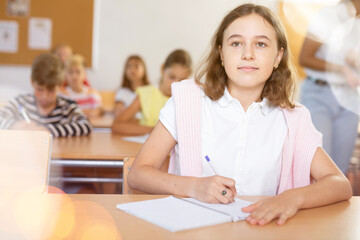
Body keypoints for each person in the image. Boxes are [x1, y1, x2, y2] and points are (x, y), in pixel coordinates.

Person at [127, 4, 352, 226]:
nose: (248, 54)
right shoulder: (187, 101)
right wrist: (193, 186)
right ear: (221, 54)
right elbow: (138, 174)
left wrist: (292, 198)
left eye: (261, 44)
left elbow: (339, 184)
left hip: (263, 231)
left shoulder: (294, 118)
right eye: (236, 43)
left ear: (277, 57)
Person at [299, 0, 360, 174]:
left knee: (340, 171)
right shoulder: (329, 16)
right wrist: (341, 68)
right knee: (318, 170)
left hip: (349, 98)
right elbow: (304, 58)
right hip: (320, 94)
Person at [0, 53, 92, 137]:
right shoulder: (20, 103)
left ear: (60, 85)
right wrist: (13, 125)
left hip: (57, 154)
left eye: (51, 91)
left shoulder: (67, 107)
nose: (44, 96)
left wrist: (46, 130)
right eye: (40, 90)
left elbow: (86, 126)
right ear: (32, 82)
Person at [111, 49, 192, 135]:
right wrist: (152, 131)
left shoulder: (186, 100)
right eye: (172, 77)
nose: (175, 84)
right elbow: (117, 125)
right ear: (162, 69)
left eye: (182, 80)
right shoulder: (146, 94)